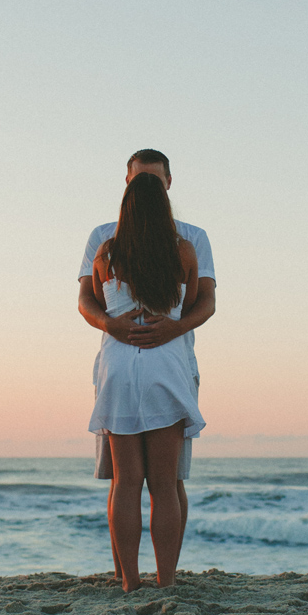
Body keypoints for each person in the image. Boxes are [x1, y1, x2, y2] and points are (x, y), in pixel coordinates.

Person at [78, 149, 216, 583]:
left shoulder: (106, 249)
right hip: (165, 366)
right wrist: (169, 324)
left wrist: (117, 323)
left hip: (120, 366)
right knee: (164, 483)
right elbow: (195, 301)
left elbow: (95, 298)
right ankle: (167, 581)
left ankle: (128, 582)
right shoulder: (185, 248)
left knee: (125, 483)